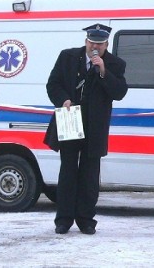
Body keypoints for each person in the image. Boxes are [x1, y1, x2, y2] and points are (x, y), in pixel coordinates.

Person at [44, 23, 128, 235]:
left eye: (99, 44)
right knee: (68, 171)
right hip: (70, 119)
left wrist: (103, 71)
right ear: (86, 41)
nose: (95, 47)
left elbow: (119, 92)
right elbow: (53, 84)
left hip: (95, 126)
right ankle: (63, 219)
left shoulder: (115, 64)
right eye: (92, 42)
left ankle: (86, 219)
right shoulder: (68, 57)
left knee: (90, 174)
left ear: (106, 44)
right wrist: (63, 99)